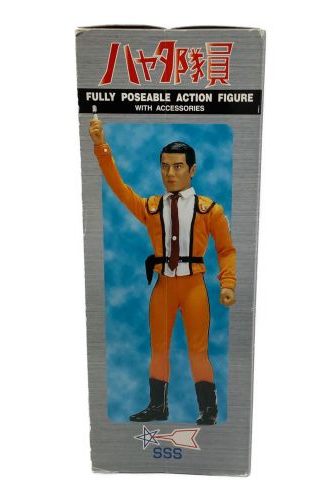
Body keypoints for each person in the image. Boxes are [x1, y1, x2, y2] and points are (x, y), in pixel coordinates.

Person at [89, 118, 236, 425]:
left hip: (194, 286)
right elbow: (119, 188)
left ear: (192, 170)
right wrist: (101, 148)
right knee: (158, 349)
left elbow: (226, 250)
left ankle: (208, 408)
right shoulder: (152, 208)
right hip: (163, 286)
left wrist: (228, 282)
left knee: (198, 350)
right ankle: (158, 406)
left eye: (178, 166)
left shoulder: (210, 210)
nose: (170, 173)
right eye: (165, 166)